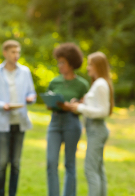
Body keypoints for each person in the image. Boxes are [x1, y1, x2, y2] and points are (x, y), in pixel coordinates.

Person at [0, 40, 37, 196]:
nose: (16, 55)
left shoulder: (25, 71)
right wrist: (2, 105)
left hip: (20, 122)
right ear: (5, 53)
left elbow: (31, 93)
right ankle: (1, 193)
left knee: (16, 164)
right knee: (2, 163)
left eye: (18, 52)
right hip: (3, 123)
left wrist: (31, 98)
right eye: (13, 52)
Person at [65, 51, 114, 196]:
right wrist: (80, 103)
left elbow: (104, 111)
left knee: (90, 170)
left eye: (90, 64)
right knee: (98, 169)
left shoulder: (100, 84)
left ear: (98, 66)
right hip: (94, 129)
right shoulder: (98, 83)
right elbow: (95, 105)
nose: (87, 68)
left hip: (97, 130)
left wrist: (80, 108)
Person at [46, 43, 89, 196]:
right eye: (59, 62)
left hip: (72, 122)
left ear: (71, 63)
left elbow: (85, 106)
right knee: (51, 163)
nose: (60, 65)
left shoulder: (82, 84)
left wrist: (73, 106)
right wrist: (52, 104)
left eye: (62, 62)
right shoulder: (54, 82)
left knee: (69, 164)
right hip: (55, 122)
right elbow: (48, 101)